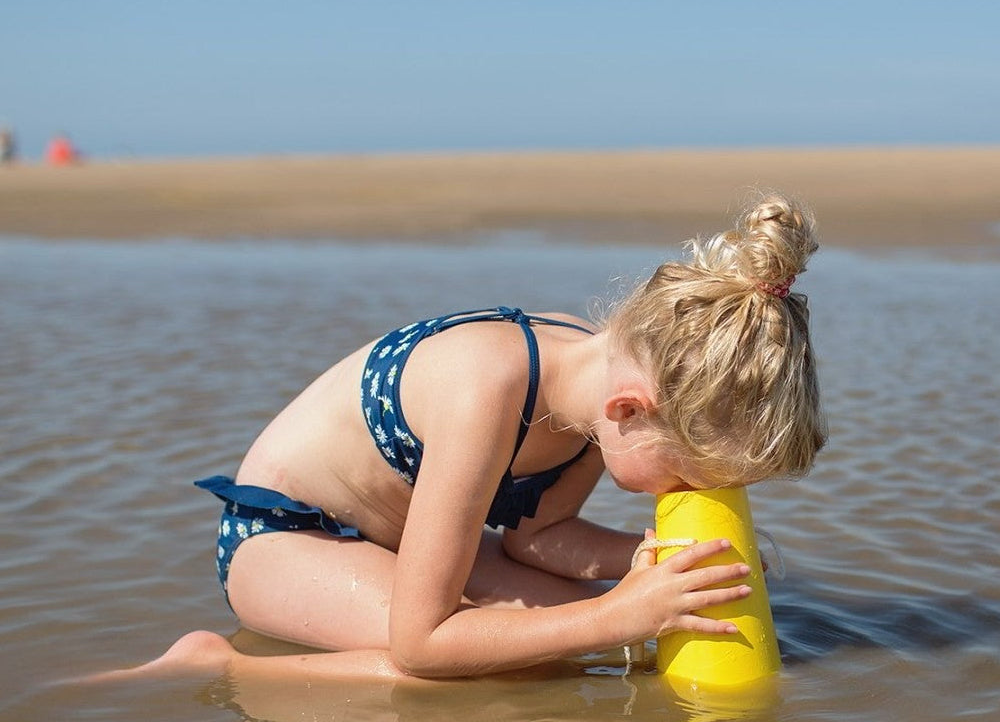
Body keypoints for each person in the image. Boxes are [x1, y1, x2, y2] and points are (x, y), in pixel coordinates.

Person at [132, 193, 826, 683]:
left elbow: (536, 537)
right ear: (630, 410)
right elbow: (422, 643)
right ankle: (222, 666)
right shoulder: (488, 389)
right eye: (689, 477)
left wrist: (654, 561)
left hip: (411, 545)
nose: (687, 494)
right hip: (283, 541)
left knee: (611, 630)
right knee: (498, 661)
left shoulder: (604, 385)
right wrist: (619, 615)